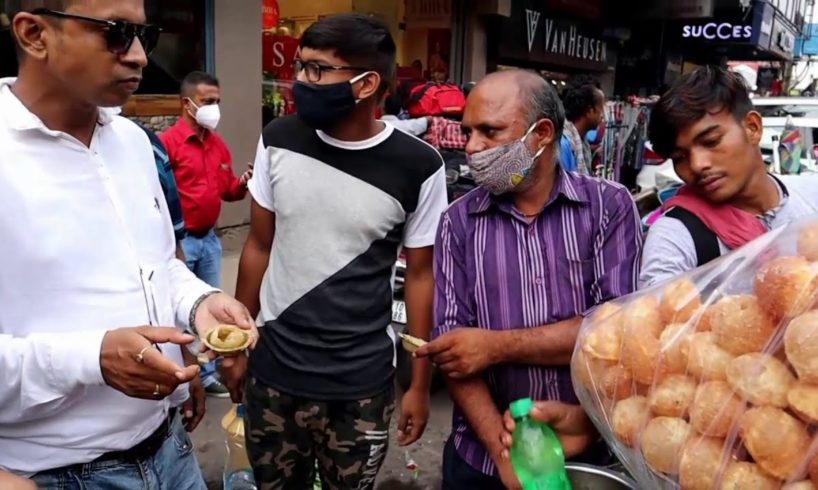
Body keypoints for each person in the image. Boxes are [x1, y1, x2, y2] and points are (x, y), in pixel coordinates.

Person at [0, 0, 255, 487]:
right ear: (34, 34)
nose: (139, 56)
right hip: (52, 473)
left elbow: (160, 266)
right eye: (116, 33)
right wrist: (93, 358)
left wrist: (201, 302)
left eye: (146, 35)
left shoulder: (134, 143)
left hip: (171, 451)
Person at [227, 13, 448, 489]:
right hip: (273, 372)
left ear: (367, 84)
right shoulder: (278, 139)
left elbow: (421, 275)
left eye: (318, 70)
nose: (301, 81)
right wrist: (237, 342)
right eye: (302, 67)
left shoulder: (419, 166)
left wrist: (419, 383)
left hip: (360, 387)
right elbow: (258, 245)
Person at [413, 69, 642, 490]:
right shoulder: (457, 222)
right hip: (481, 460)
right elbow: (455, 352)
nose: (472, 147)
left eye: (490, 131)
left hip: (584, 450)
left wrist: (494, 346)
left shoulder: (608, 208)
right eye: (468, 132)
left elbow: (614, 336)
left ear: (541, 134)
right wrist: (504, 453)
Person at [640, 66, 818, 288]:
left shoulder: (812, 198)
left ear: (752, 128)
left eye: (711, 142)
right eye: (679, 157)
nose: (697, 165)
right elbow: (657, 315)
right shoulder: (676, 235)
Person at [160, 71, 253, 397]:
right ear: (187, 104)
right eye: (208, 102)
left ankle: (209, 373)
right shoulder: (167, 145)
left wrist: (242, 184)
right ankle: (177, 370)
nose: (215, 108)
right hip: (180, 244)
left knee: (209, 308)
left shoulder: (217, 145)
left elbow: (228, 191)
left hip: (209, 240)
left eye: (217, 102)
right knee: (174, 311)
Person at [559, 75, 605, 175]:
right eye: (601, 109)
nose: (602, 116)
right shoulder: (563, 146)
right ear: (589, 111)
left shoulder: (582, 142)